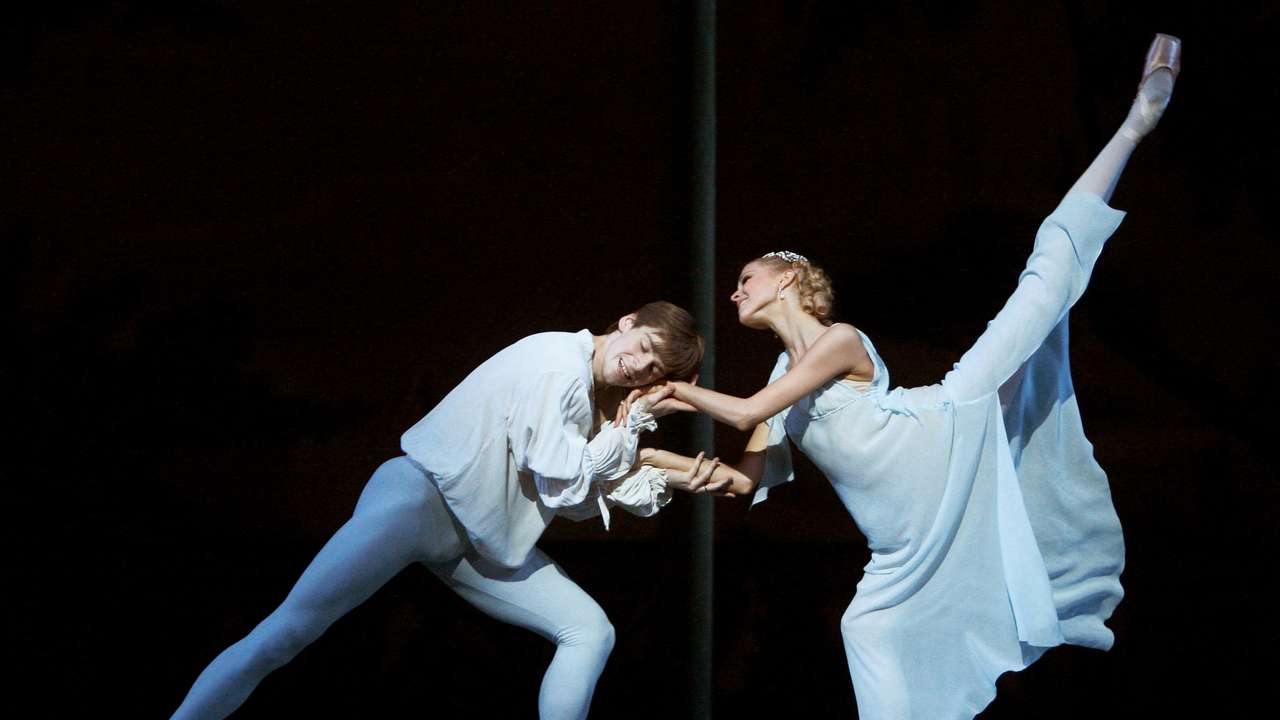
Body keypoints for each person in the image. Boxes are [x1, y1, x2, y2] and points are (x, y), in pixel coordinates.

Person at [644, 35, 1182, 719]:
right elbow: (741, 479)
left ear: (786, 278)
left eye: (745, 280)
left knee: (1043, 281)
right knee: (863, 627)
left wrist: (675, 393)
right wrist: (647, 459)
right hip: (901, 541)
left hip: (942, 428)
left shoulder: (836, 342)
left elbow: (750, 412)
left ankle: (1136, 120)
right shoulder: (785, 373)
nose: (734, 293)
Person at [171, 301, 709, 720]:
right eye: (641, 347)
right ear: (626, 321)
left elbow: (577, 496)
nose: (636, 367)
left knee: (589, 630)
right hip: (418, 503)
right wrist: (632, 430)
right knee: (285, 634)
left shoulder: (588, 396)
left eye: (651, 369)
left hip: (476, 538)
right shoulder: (558, 367)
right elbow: (565, 489)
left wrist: (665, 467)